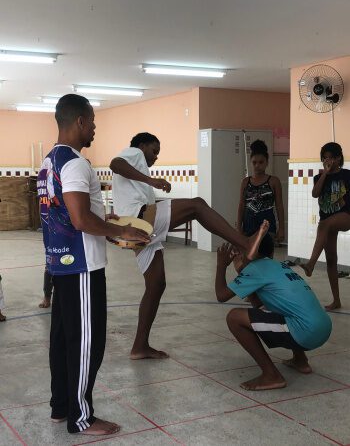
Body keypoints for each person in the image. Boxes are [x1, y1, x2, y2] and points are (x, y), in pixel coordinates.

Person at [37, 94, 150, 436]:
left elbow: (67, 211)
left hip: (60, 263)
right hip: (82, 268)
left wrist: (106, 218)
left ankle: (61, 408)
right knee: (86, 341)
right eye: (94, 123)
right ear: (81, 122)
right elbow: (80, 218)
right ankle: (81, 417)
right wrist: (120, 230)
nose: (95, 130)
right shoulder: (74, 163)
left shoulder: (48, 162)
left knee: (62, 339)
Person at [110, 132, 268, 360]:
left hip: (136, 230)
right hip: (138, 219)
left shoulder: (138, 166)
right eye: (154, 151)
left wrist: (148, 182)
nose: (155, 158)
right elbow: (116, 164)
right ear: (142, 146)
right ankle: (245, 244)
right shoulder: (134, 153)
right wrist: (151, 180)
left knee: (156, 285)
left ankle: (139, 346)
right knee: (197, 206)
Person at [215, 234, 332, 391]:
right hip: (323, 327)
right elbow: (258, 305)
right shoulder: (278, 265)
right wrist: (241, 272)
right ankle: (300, 360)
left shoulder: (255, 269)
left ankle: (271, 375)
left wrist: (221, 265)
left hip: (306, 332)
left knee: (234, 317)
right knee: (285, 310)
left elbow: (221, 295)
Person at [301, 143, 350, 311]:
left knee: (324, 224)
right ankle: (336, 300)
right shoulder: (319, 177)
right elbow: (315, 194)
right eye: (324, 157)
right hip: (327, 222)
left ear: (338, 158)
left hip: (345, 217)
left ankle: (311, 264)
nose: (327, 160)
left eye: (330, 157)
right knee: (331, 260)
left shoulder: (347, 175)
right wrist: (325, 175)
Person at [237, 140, 285, 244]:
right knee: (249, 256)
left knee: (266, 257)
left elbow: (279, 207)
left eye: (261, 162)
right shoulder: (245, 182)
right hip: (249, 225)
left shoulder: (273, 181)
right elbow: (241, 206)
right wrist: (239, 228)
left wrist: (281, 229)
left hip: (267, 224)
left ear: (267, 162)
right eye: (254, 162)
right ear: (251, 162)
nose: (257, 165)